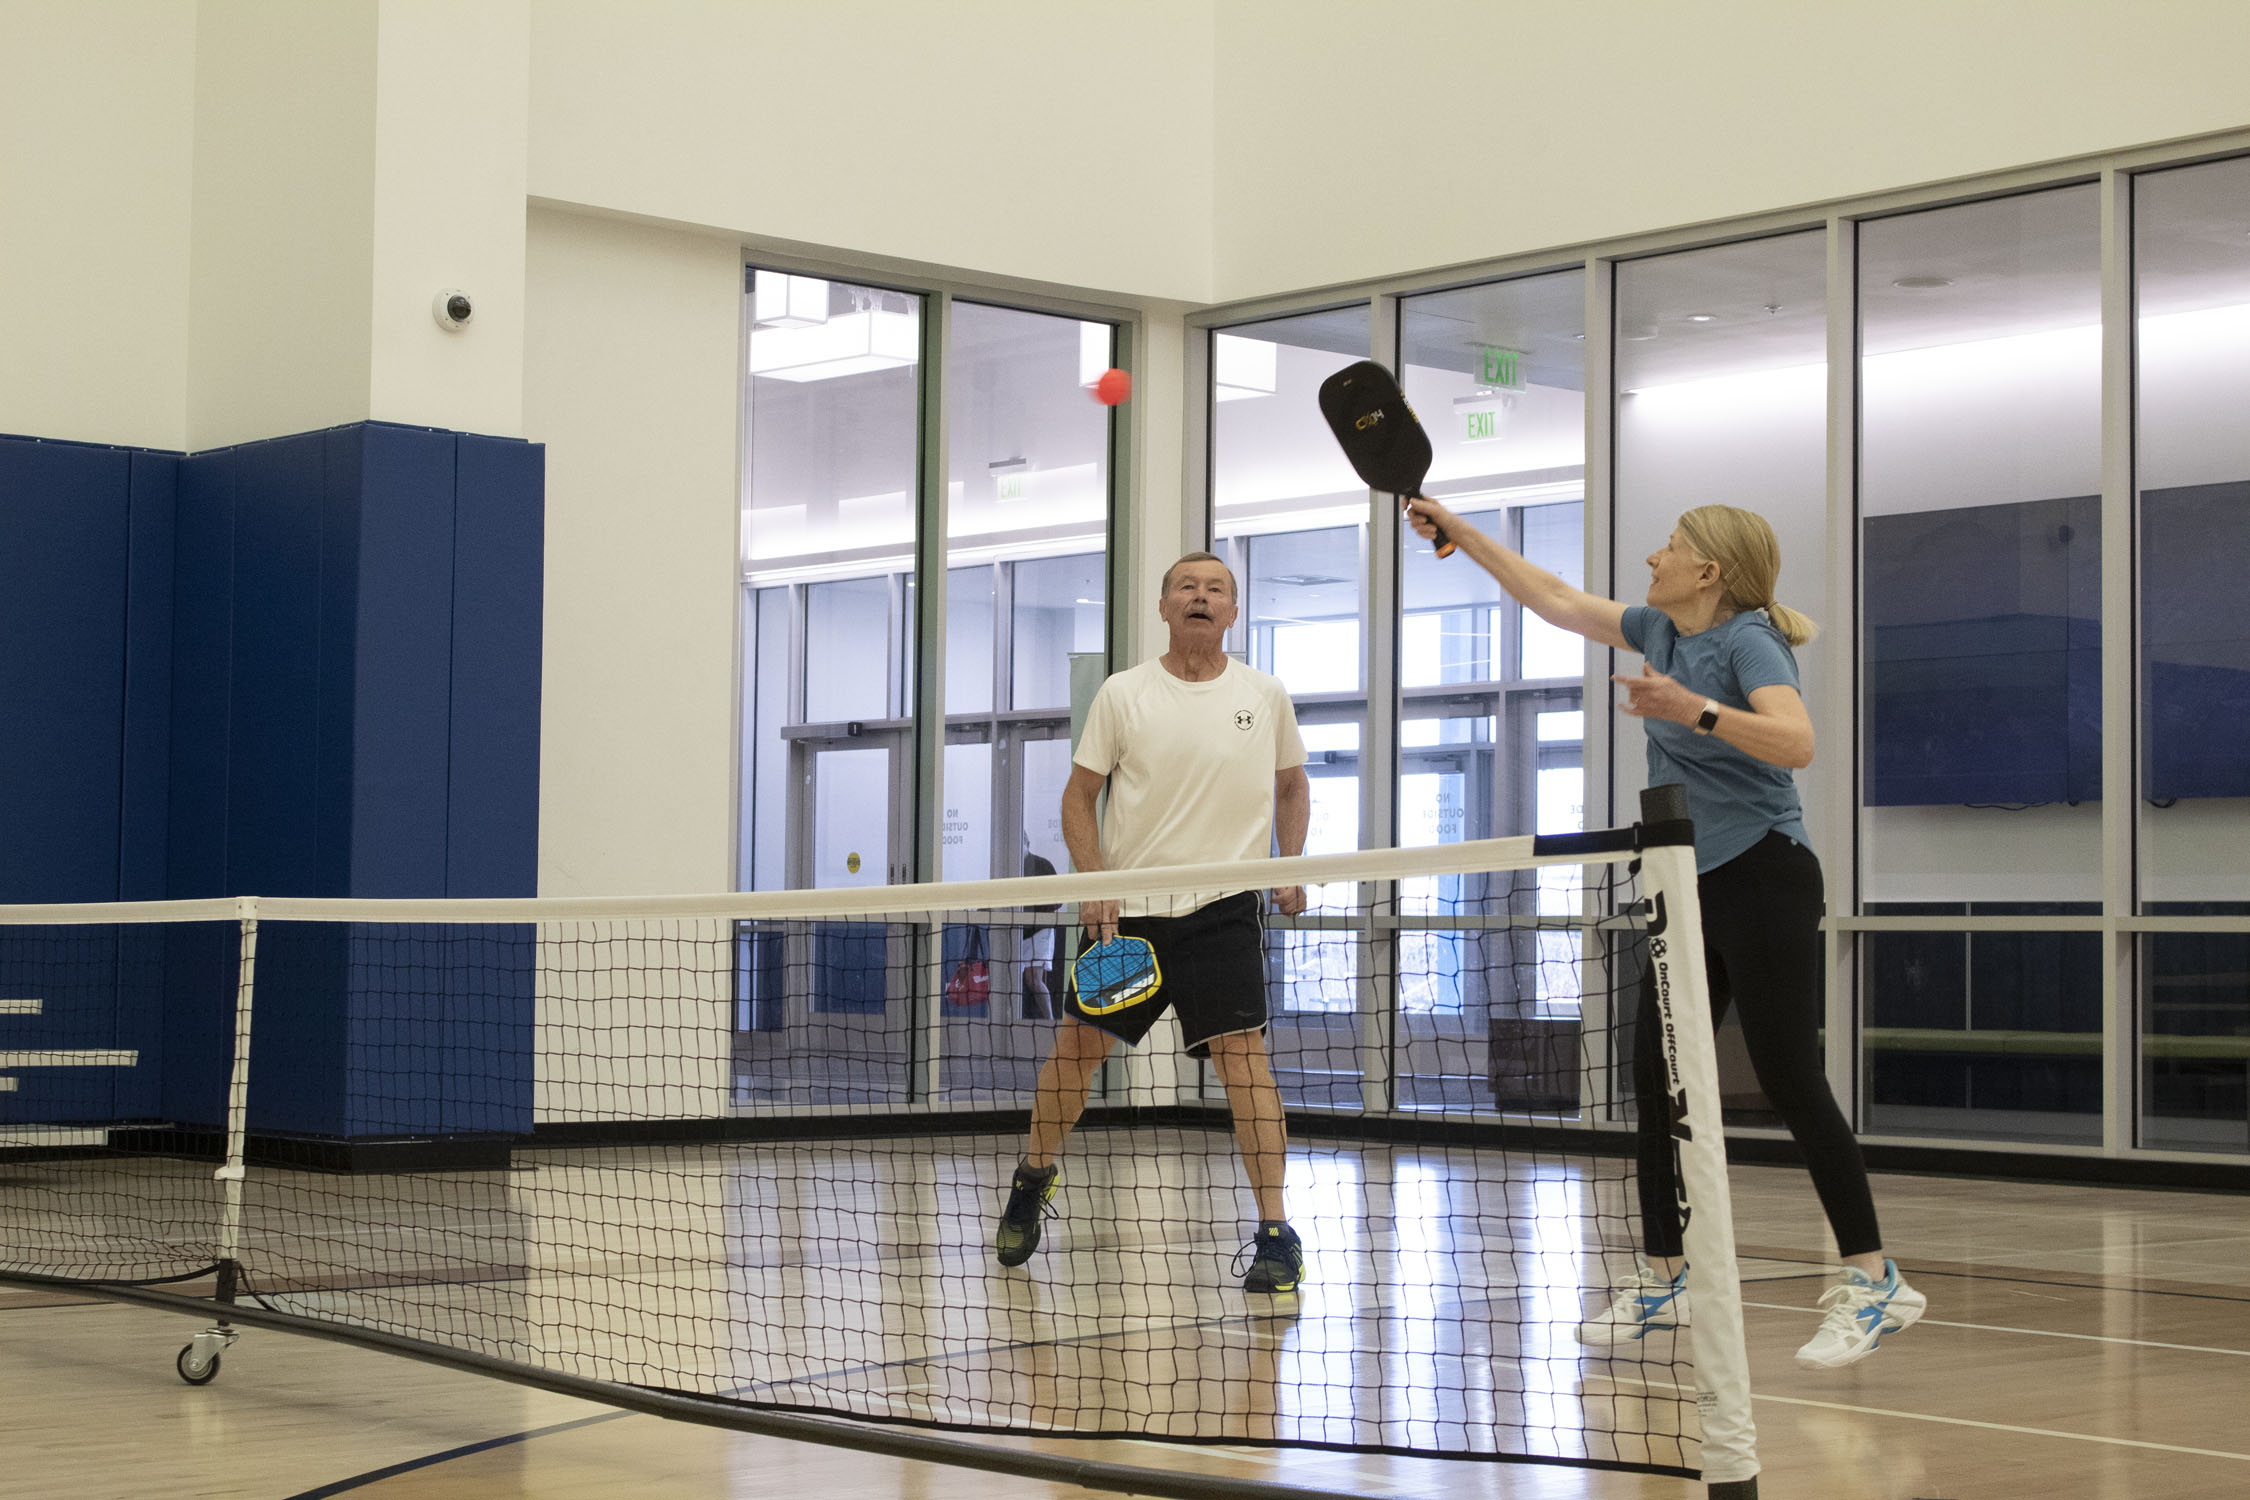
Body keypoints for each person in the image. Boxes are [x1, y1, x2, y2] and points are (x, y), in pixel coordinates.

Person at [1405, 497, 1923, 1370]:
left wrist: (1694, 710)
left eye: (1672, 547)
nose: (1654, 557)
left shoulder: (1749, 641)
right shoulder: (1658, 630)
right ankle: (1665, 1280)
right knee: (1656, 1080)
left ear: (1709, 571)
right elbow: (1554, 597)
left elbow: (1796, 743)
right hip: (1685, 881)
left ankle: (1876, 1282)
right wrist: (1464, 533)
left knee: (1790, 1078)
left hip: (1763, 870)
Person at [993, 552, 1312, 1293]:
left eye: (1216, 589)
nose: (1201, 597)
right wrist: (1096, 881)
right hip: (1128, 917)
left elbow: (1292, 787)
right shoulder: (1123, 693)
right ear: (1164, 607)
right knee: (1077, 1053)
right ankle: (1033, 1176)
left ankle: (1275, 1233)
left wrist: (1289, 864)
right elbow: (1079, 797)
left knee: (1245, 1062)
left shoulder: (1264, 695)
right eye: (1187, 588)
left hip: (1224, 911)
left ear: (1233, 611)